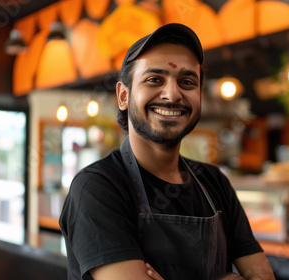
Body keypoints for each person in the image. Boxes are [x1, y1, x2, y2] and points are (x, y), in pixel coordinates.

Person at [59, 23, 275, 280]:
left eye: (186, 82)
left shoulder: (215, 182)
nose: (172, 94)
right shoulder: (98, 187)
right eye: (154, 80)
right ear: (123, 96)